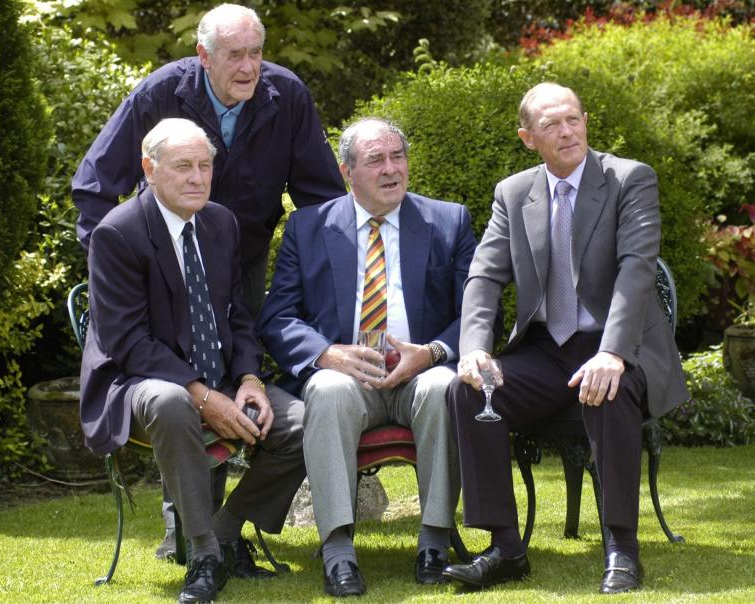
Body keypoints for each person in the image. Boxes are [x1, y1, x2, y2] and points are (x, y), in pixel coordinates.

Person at [71, 3, 344, 559]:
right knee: (180, 389)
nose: (248, 68)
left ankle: (218, 532)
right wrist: (122, 265)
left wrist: (333, 285)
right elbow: (95, 187)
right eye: (234, 55)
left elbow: (321, 198)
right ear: (203, 56)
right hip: (153, 269)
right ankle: (188, 534)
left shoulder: (285, 96)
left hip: (234, 260)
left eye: (256, 54)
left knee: (233, 381)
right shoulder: (159, 93)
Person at [442, 82, 689, 595]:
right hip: (545, 349)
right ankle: (505, 548)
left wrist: (612, 353)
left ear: (586, 121)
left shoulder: (628, 179)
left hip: (620, 346)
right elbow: (484, 277)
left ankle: (622, 548)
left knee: (607, 387)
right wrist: (473, 350)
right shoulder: (514, 193)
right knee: (469, 389)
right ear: (528, 137)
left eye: (573, 119)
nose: (567, 131)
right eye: (551, 124)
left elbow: (636, 269)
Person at [79, 118, 306, 603]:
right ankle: (202, 555)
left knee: (305, 423)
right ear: (150, 169)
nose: (197, 178)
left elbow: (238, 314)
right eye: (183, 167)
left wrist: (249, 380)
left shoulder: (220, 223)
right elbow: (128, 342)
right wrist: (203, 396)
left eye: (205, 166)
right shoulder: (117, 234)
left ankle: (225, 531)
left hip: (220, 375)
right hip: (136, 380)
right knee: (171, 401)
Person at [257, 118, 478, 597]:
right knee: (327, 388)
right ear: (347, 170)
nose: (391, 168)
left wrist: (433, 352)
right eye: (376, 160)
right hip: (350, 379)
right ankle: (338, 551)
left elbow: (478, 313)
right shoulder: (309, 226)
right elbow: (277, 317)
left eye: (398, 156)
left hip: (419, 375)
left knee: (446, 387)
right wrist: (325, 353)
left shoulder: (448, 220)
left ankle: (434, 541)